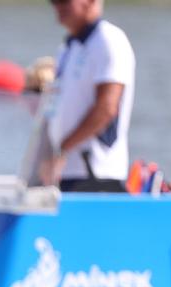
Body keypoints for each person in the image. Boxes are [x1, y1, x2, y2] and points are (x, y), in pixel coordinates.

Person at [37, 0, 135, 193]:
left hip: (97, 173)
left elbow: (106, 109)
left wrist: (62, 149)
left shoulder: (109, 40)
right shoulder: (67, 47)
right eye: (54, 1)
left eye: (64, 1)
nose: (57, 6)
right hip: (66, 172)